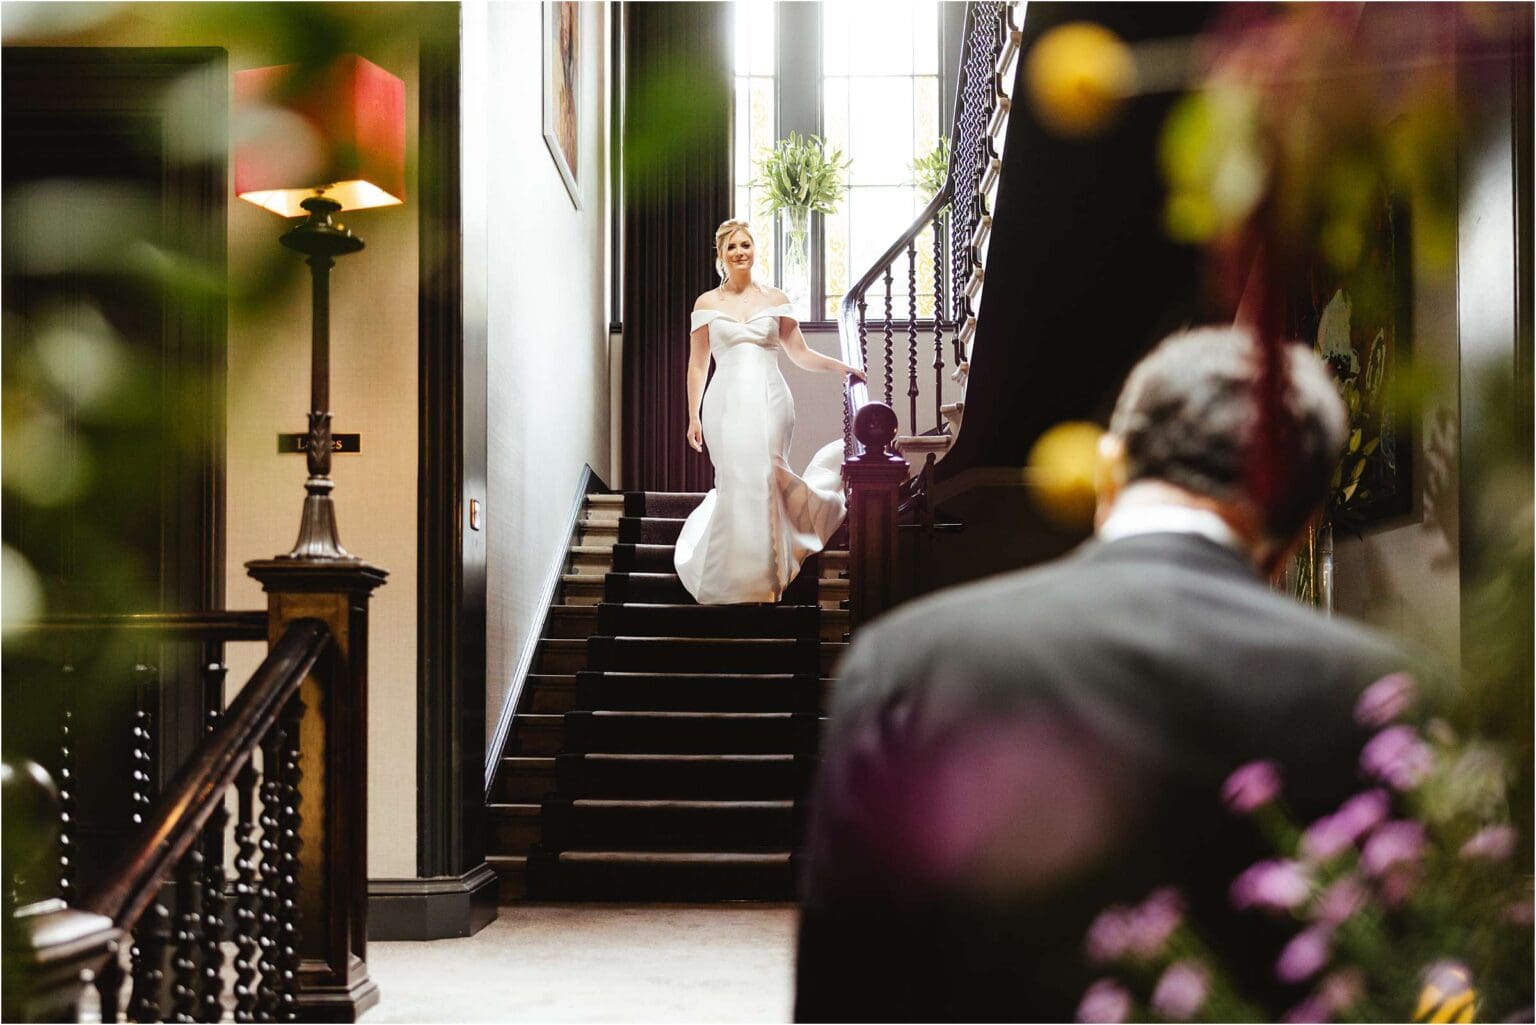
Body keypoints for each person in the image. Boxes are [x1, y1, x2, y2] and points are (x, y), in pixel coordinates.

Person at [795, 326, 1408, 1022]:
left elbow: (844, 994)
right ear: (1301, 526)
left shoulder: (905, 664)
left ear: (1108, 476)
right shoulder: (1390, 695)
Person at [674, 219, 864, 604]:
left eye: (746, 244)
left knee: (765, 474)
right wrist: (693, 415)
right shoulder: (706, 303)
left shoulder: (775, 298)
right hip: (724, 401)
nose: (740, 252)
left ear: (755, 249)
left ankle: (766, 574)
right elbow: (698, 364)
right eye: (732, 247)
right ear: (721, 255)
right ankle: (730, 575)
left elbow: (799, 353)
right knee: (736, 477)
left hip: (771, 397)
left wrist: (840, 367)